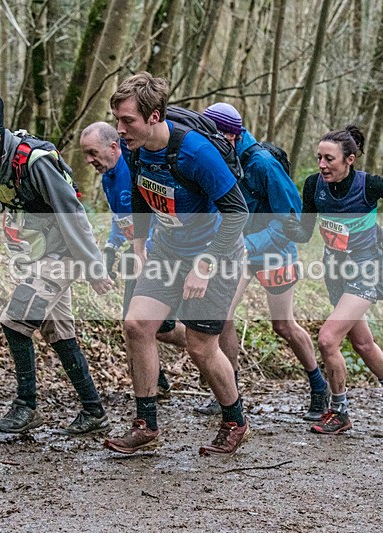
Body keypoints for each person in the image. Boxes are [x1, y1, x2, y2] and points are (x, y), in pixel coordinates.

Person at [103, 73, 251, 456]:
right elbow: (138, 192)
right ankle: (146, 425)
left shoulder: (195, 152)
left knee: (201, 347)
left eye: (128, 121)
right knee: (137, 325)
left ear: (154, 116)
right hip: (168, 250)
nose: (120, 130)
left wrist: (204, 266)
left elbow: (237, 212)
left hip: (216, 253)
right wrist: (138, 243)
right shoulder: (135, 149)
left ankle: (235, 420)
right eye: (117, 120)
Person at [0, 90, 113, 435]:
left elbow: (72, 213)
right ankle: (94, 411)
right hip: (37, 256)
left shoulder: (35, 161)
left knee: (15, 321)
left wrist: (93, 265)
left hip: (66, 253)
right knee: (57, 329)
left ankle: (26, 407)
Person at [189, 102, 329, 420]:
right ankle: (229, 388)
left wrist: (248, 244)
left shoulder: (263, 164)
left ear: (230, 136)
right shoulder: (223, 160)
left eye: (210, 137)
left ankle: (318, 386)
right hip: (242, 252)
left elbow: (291, 221)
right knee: (221, 316)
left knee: (283, 325)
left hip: (276, 250)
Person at [283, 125, 383, 434]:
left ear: (349, 160)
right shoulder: (313, 185)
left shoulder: (369, 185)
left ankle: (339, 411)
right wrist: (282, 222)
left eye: (329, 159)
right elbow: (304, 232)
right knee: (363, 343)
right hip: (336, 272)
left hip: (367, 269)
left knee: (328, 338)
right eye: (319, 158)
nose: (322, 165)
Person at [79, 122, 187, 400]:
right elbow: (121, 218)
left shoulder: (135, 168)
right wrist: (111, 249)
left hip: (156, 252)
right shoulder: (108, 177)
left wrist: (148, 254)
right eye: (86, 155)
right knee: (146, 326)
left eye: (93, 153)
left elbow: (155, 213)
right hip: (135, 254)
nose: (89, 160)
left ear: (113, 147)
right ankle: (159, 381)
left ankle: (203, 345)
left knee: (141, 325)